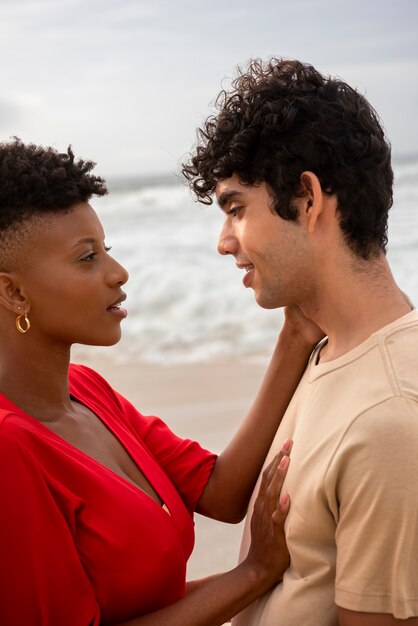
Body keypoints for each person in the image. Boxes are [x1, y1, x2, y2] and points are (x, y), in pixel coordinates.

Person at [0, 138, 323, 626]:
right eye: (87, 258)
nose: (118, 272)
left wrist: (296, 336)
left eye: (107, 250)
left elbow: (220, 492)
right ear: (13, 292)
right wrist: (254, 574)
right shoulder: (9, 447)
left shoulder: (88, 391)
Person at [182, 58, 418, 625]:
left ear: (308, 200)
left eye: (236, 209)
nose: (223, 242)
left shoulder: (389, 419)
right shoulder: (326, 350)